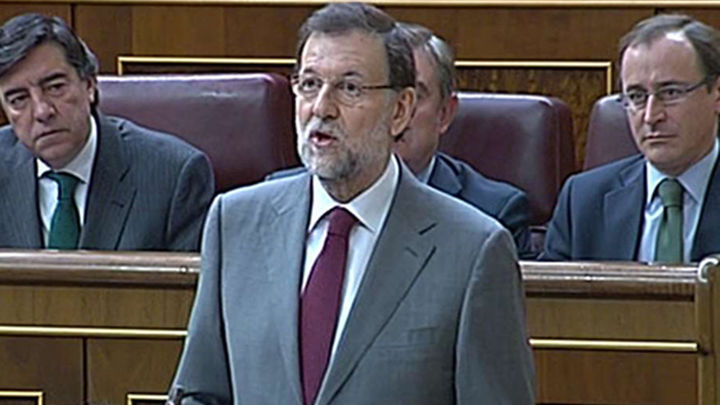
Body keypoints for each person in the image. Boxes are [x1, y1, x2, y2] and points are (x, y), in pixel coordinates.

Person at [169, 3, 534, 404]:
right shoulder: (235, 222)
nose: (321, 108)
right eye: (310, 84)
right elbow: (201, 392)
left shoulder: (473, 249)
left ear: (400, 111)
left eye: (350, 88)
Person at [0, 13, 214, 251]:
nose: (42, 111)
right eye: (19, 99)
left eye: (55, 87)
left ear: (89, 85)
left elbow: (189, 276)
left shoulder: (173, 175)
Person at [542, 14, 720, 262]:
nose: (651, 116)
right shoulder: (583, 200)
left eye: (671, 93)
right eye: (637, 96)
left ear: (716, 94)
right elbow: (551, 288)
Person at [393, 22, 532, 258]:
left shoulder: (493, 214)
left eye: (414, 96)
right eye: (384, 93)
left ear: (445, 114)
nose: (396, 111)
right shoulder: (324, 197)